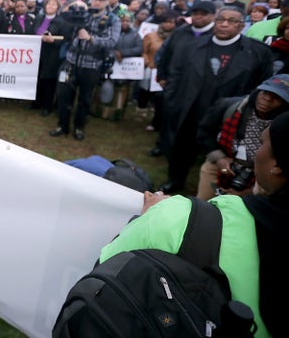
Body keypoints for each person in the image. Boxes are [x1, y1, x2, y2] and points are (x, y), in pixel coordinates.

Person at [98, 110, 289, 338]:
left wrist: (149, 216)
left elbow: (106, 264)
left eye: (262, 143)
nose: (256, 152)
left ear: (277, 164)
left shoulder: (183, 217)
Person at [159, 6, 274, 194]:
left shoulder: (258, 52)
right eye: (221, 20)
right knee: (181, 150)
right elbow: (175, 75)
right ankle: (175, 180)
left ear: (241, 26)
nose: (225, 24)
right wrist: (172, 104)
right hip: (190, 110)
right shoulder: (191, 47)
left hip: (229, 116)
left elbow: (261, 86)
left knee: (224, 155)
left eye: (232, 21)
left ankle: (220, 187)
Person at [196, 74, 289, 200]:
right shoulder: (230, 106)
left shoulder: (284, 127)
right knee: (203, 201)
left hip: (259, 175)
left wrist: (248, 192)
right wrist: (219, 158)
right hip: (221, 164)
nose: (267, 99)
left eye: (276, 97)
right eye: (265, 92)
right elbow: (204, 132)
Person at [50, 0, 120, 140]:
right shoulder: (83, 13)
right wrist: (72, 6)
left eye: (101, 0)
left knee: (84, 99)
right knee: (64, 96)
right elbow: (62, 16)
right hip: (71, 61)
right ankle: (62, 125)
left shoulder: (112, 19)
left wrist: (91, 38)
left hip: (92, 65)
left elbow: (112, 41)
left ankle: (79, 127)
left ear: (108, 1)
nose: (97, 2)